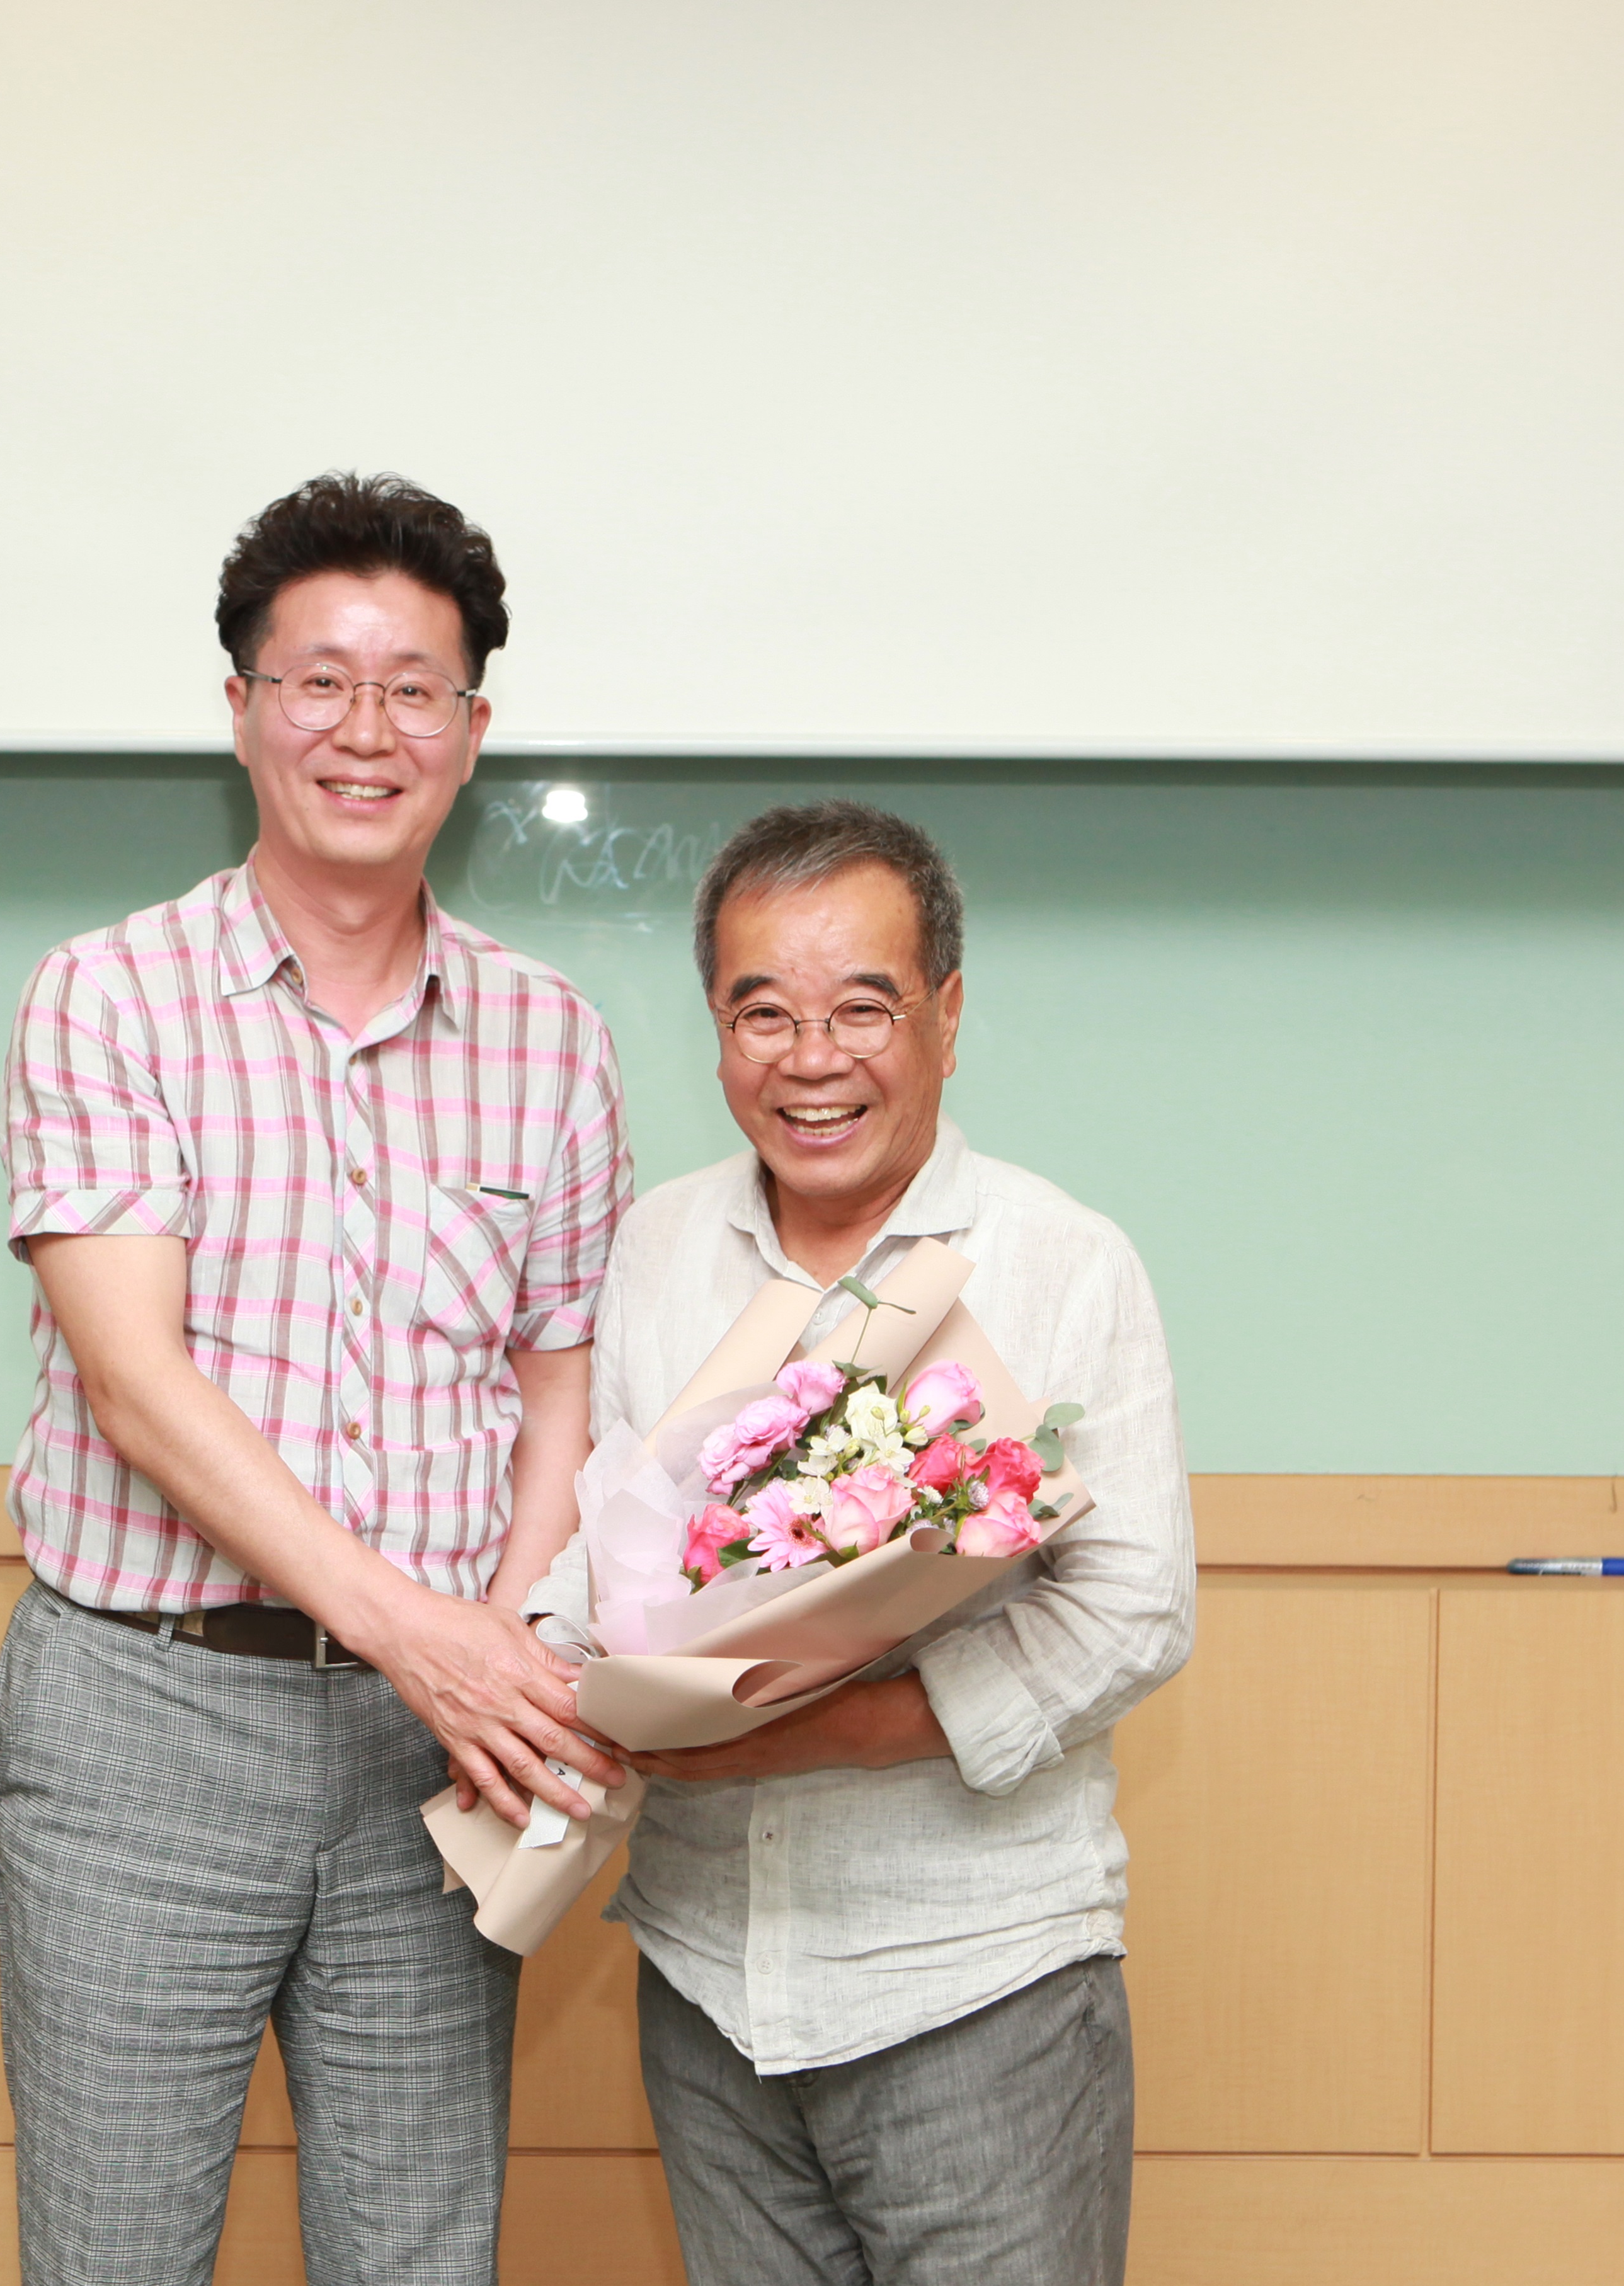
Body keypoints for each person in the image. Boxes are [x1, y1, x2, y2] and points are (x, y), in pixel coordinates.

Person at [0, 472, 633, 2286]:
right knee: (112, 2254)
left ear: (472, 733)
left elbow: (559, 1390)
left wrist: (501, 1660)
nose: (367, 730)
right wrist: (425, 1632)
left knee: (418, 2254)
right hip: (145, 1715)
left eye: (414, 688)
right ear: (243, 709)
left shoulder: (553, 1039)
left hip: (437, 1751)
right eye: (321, 681)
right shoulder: (106, 998)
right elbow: (136, 1383)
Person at [530, 799, 1194, 2286]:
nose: (810, 1058)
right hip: (706, 1984)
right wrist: (546, 1683)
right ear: (717, 1030)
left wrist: (821, 1729)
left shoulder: (1060, 1259)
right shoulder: (655, 1246)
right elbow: (602, 1531)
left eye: (862, 1010)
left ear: (947, 1018)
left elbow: (1136, 1607)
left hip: (977, 1986)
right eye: (762, 1013)